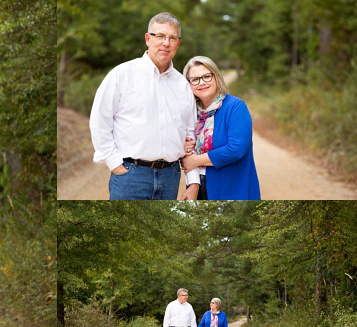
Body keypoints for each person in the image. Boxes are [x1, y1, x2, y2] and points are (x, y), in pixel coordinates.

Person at [90, 12, 200, 200]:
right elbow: (100, 121)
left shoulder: (183, 85)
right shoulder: (122, 75)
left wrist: (193, 181)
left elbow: (190, 135)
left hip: (170, 177)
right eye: (160, 36)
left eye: (172, 38)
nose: (166, 43)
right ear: (148, 39)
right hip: (130, 176)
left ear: (178, 43)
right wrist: (115, 164)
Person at [181, 56, 261, 199]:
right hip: (198, 187)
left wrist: (196, 160)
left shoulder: (235, 106)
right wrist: (193, 184)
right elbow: (186, 151)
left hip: (231, 187)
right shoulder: (190, 112)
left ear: (216, 77)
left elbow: (236, 148)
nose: (202, 83)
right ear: (188, 84)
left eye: (206, 76)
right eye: (195, 79)